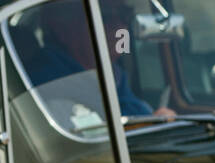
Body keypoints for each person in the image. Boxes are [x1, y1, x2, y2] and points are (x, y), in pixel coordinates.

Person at [19, 0, 175, 120]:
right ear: (62, 27)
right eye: (104, 16)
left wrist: (155, 121)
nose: (119, 26)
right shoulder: (45, 84)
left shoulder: (115, 77)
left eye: (125, 14)